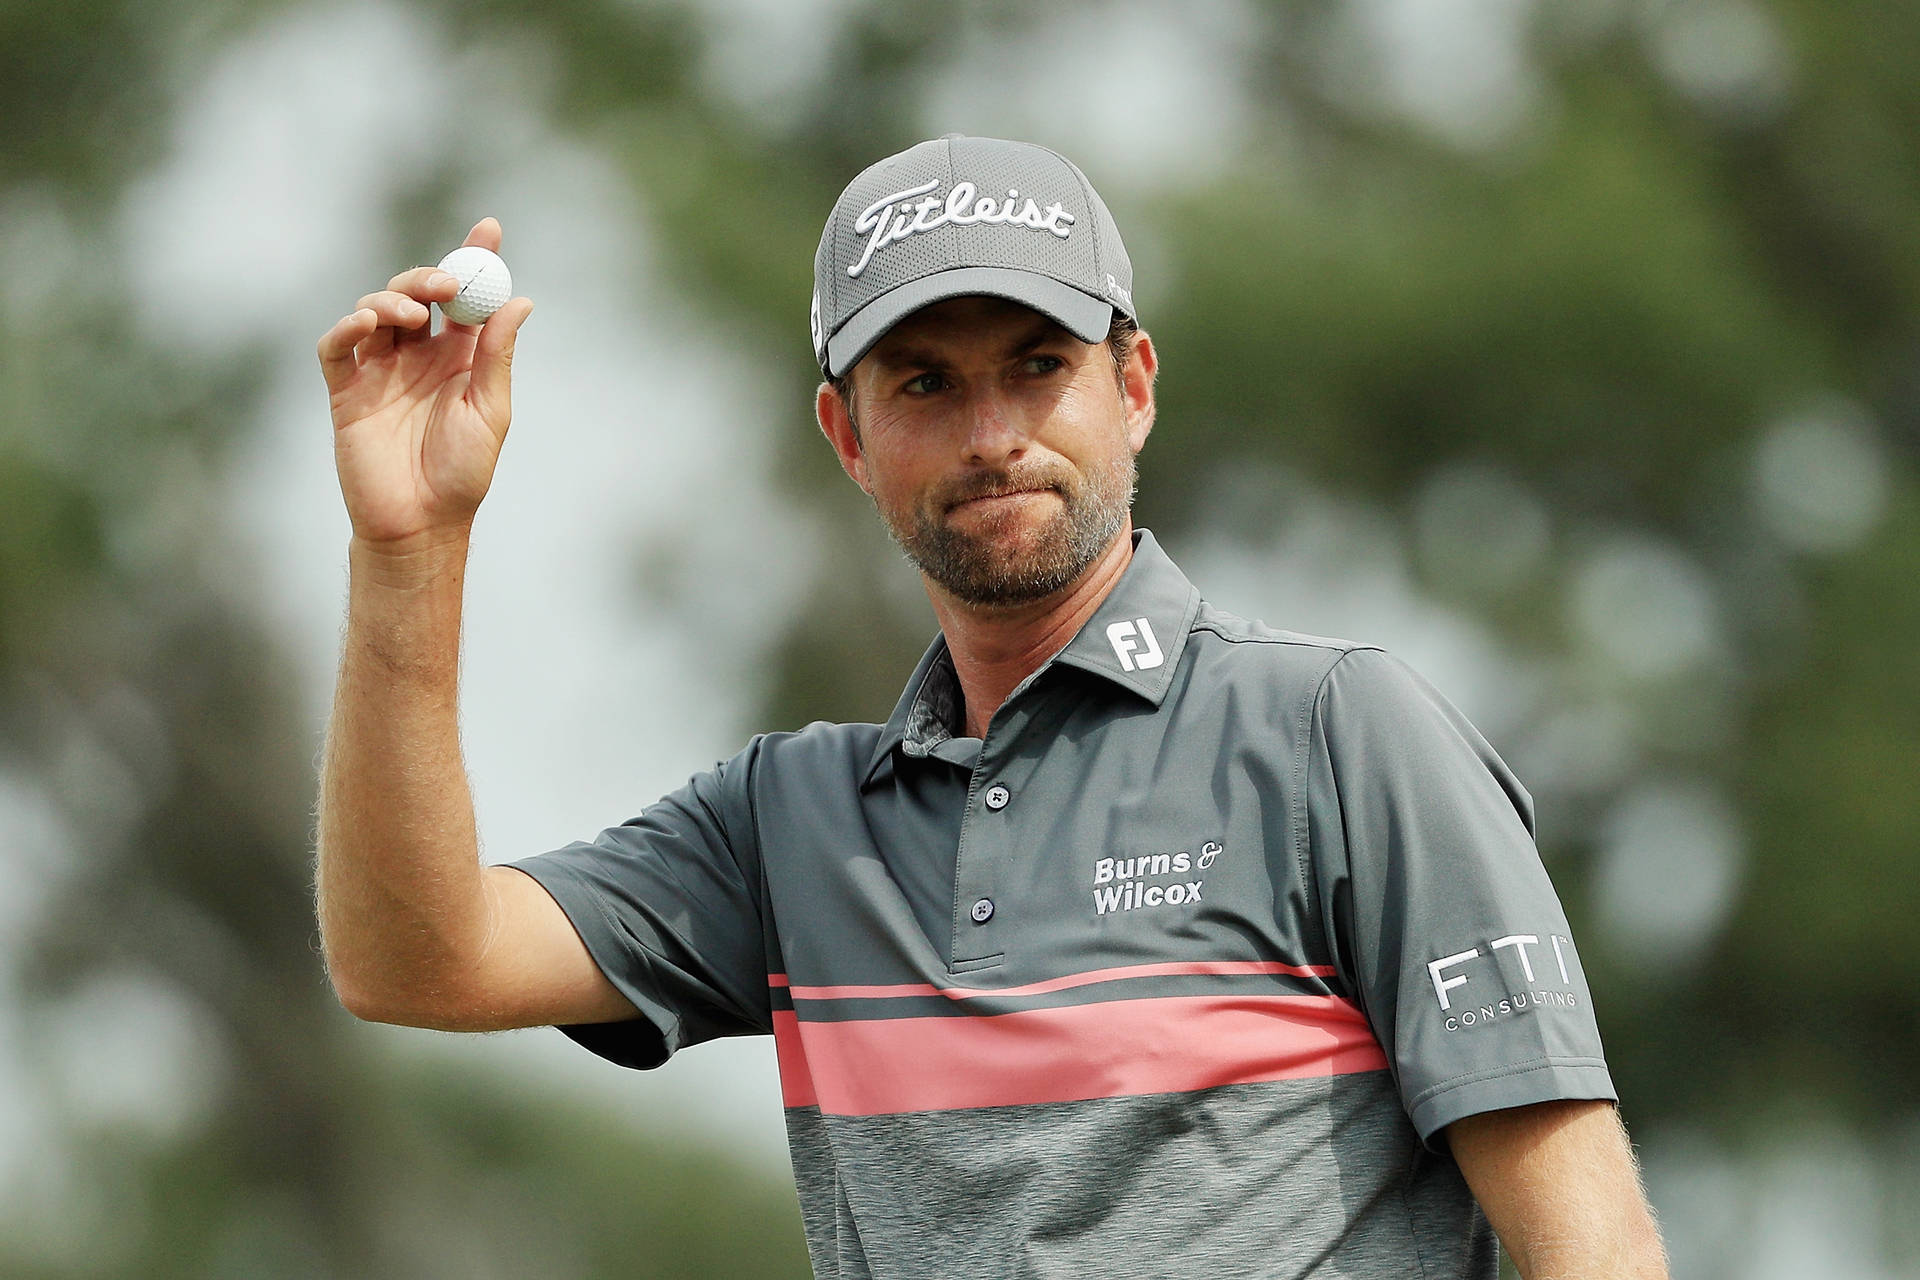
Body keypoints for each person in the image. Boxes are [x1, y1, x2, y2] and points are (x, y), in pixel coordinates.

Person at [315, 134, 1670, 1279]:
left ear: (1132, 388)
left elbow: (1586, 1238)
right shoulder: (788, 824)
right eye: (925, 383)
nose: (990, 434)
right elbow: (413, 961)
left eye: (1038, 366)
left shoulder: (1337, 734)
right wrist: (410, 549)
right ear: (849, 439)